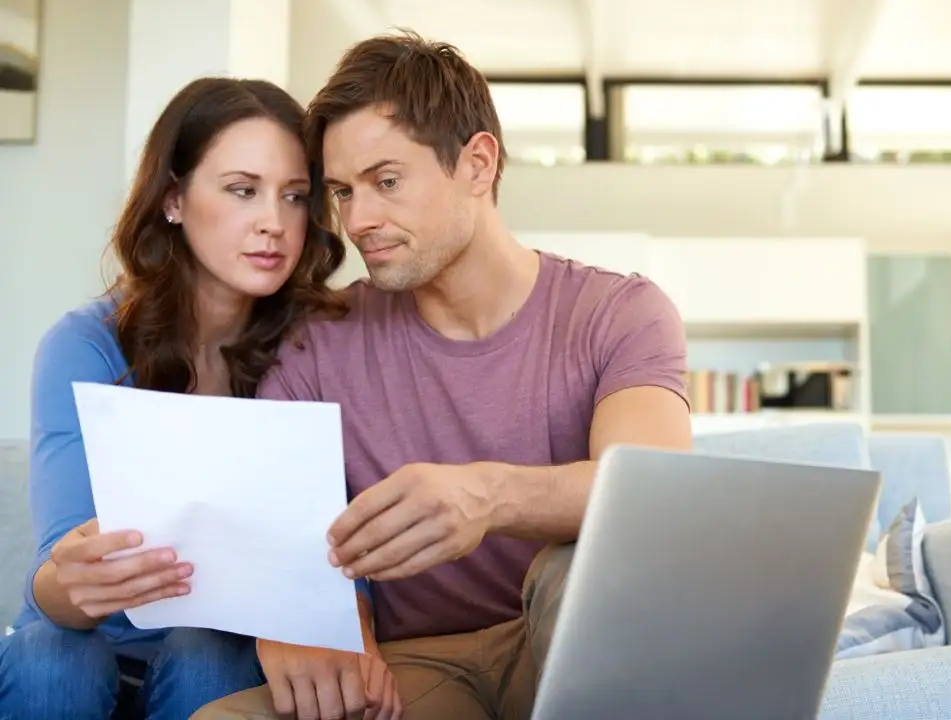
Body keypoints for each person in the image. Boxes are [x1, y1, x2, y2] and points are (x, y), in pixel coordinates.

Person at [193, 31, 693, 720]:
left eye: (387, 181)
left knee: (573, 568)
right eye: (342, 191)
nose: (360, 220)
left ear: (478, 165)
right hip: (417, 666)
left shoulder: (618, 312)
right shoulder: (318, 343)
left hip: (565, 647)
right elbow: (273, 525)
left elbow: (660, 492)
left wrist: (488, 497)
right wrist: (298, 619)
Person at [0, 77, 351, 719]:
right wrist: (76, 578)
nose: (273, 223)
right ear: (173, 200)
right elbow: (55, 585)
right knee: (52, 654)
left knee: (206, 651)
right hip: (83, 656)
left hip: (219, 664)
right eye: (242, 190)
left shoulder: (320, 348)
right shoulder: (84, 345)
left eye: (295, 197)